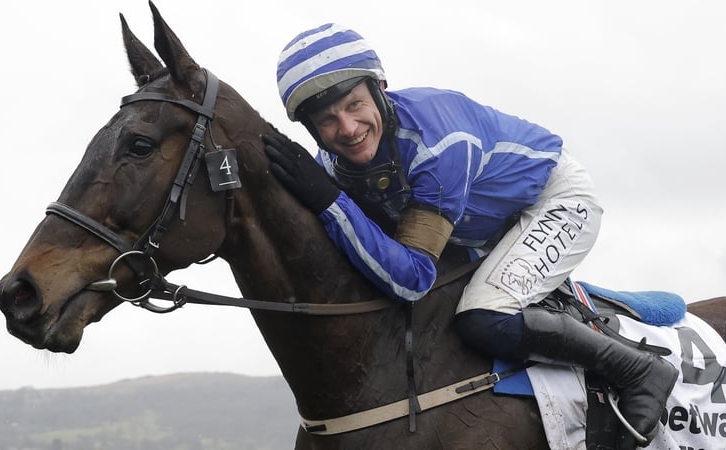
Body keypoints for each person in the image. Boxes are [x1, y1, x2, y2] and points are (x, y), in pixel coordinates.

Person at [263, 23, 677, 448]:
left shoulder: (439, 144)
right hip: (475, 230)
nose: (347, 129)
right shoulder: (334, 164)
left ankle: (638, 370)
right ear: (312, 130)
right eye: (328, 120)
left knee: (482, 317)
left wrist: (331, 202)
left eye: (354, 105)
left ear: (380, 88)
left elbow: (411, 280)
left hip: (552, 201)